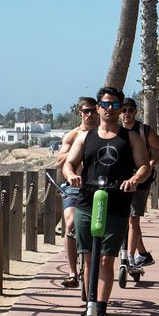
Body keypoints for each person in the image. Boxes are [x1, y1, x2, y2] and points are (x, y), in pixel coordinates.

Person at [62, 87, 151, 316]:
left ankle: (101, 309)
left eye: (114, 105)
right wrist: (71, 175)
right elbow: (69, 163)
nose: (108, 109)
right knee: (89, 258)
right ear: (98, 107)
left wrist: (134, 179)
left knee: (106, 259)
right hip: (87, 202)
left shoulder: (130, 137)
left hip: (117, 205)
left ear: (121, 109)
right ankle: (88, 305)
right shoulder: (85, 137)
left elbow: (144, 166)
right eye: (105, 104)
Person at [56, 96, 98, 288]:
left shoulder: (103, 134)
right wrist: (78, 150)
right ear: (80, 113)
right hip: (74, 188)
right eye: (86, 111)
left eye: (93, 110)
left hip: (97, 187)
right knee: (71, 223)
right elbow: (59, 161)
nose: (90, 114)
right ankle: (73, 272)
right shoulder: (72, 136)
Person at [119, 97, 159, 271]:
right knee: (124, 218)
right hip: (119, 180)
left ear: (135, 111)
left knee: (133, 218)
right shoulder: (115, 131)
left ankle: (129, 258)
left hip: (141, 180)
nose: (127, 114)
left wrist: (151, 163)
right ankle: (143, 254)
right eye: (123, 110)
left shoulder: (144, 130)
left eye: (130, 110)